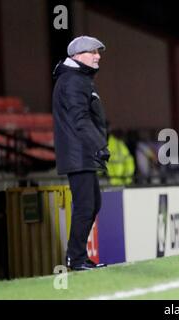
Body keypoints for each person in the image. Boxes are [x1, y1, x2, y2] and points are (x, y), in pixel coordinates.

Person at [52, 36, 110, 270]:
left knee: (92, 204)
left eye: (98, 52)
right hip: (79, 153)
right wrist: (99, 145)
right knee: (86, 205)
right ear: (76, 56)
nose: (98, 56)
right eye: (92, 52)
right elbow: (80, 119)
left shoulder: (77, 79)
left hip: (82, 152)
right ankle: (75, 259)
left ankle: (78, 256)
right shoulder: (74, 81)